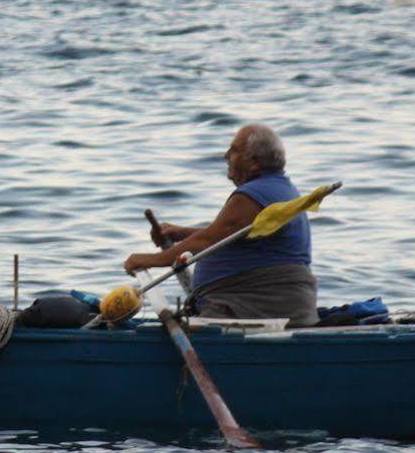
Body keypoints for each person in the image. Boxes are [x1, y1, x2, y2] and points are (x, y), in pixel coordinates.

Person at [124, 123, 318, 328]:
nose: (226, 155)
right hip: (277, 307)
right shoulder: (279, 189)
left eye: (234, 150)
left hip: (258, 309)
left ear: (254, 162)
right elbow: (231, 237)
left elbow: (207, 240)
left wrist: (149, 260)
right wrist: (181, 232)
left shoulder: (253, 196)